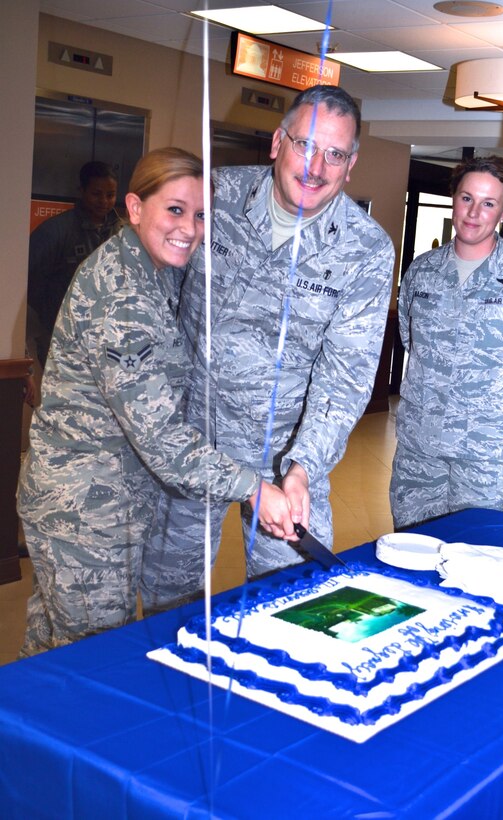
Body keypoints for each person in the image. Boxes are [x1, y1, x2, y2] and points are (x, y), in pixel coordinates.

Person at [17, 147, 297, 656]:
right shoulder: (123, 296)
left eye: (201, 215)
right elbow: (162, 439)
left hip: (101, 502)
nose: (189, 228)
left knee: (49, 655)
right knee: (95, 660)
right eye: (175, 209)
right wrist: (253, 488)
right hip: (84, 514)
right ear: (135, 206)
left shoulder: (153, 267)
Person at [147, 85, 395, 608]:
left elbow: (345, 377)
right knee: (170, 597)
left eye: (335, 154)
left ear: (351, 165)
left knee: (297, 599)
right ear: (278, 142)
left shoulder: (365, 249)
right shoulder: (214, 196)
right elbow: (154, 293)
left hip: (283, 454)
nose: (316, 167)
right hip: (191, 439)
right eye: (306, 145)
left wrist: (303, 468)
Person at [390, 154, 503, 530]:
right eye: (467, 198)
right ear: (454, 200)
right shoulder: (422, 271)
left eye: (488, 203)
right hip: (419, 454)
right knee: (413, 549)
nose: (474, 212)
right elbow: (411, 342)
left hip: (490, 461)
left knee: (482, 554)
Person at [27, 160, 124, 368]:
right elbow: (30, 281)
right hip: (60, 333)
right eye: (96, 194)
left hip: (106, 336)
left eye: (110, 195)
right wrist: (48, 320)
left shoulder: (122, 232)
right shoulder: (55, 231)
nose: (104, 201)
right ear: (82, 191)